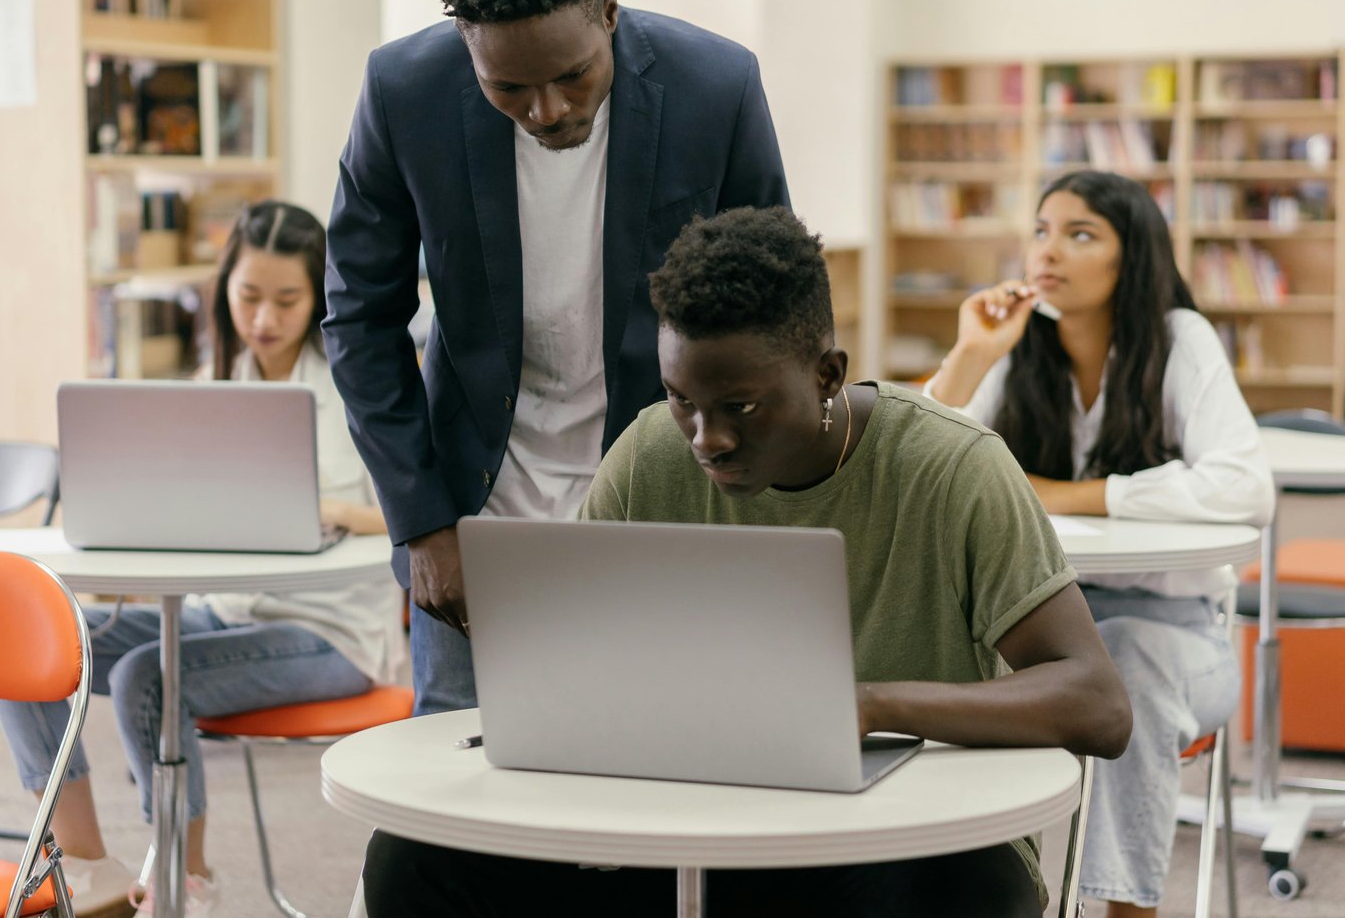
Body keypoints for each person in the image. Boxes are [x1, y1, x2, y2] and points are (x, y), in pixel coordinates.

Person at [363, 206, 1132, 918]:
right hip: (682, 834)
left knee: (970, 889)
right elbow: (583, 669)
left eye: (743, 406)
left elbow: (1096, 704)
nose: (707, 438)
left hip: (892, 844)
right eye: (682, 399)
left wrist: (867, 706)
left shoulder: (953, 466)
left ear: (828, 374)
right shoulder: (648, 456)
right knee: (415, 859)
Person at [324, 0, 790, 715]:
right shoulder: (404, 91)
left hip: (663, 496)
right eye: (509, 88)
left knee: (657, 762)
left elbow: (773, 301)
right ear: (465, 48)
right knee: (461, 799)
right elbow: (360, 315)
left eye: (574, 76)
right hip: (473, 516)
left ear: (608, 13)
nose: (549, 111)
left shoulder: (714, 83)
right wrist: (421, 523)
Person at [0, 202, 403, 917]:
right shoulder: (221, 382)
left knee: (145, 676)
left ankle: (189, 877)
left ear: (320, 296)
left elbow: (411, 516)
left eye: (287, 299)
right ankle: (90, 861)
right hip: (226, 608)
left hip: (332, 632)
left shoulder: (359, 385)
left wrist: (332, 510)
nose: (264, 318)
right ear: (225, 293)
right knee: (20, 645)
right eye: (248, 296)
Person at [923, 170, 1275, 917]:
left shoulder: (1181, 340)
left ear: (1132, 257)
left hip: (1178, 642)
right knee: (931, 660)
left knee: (1127, 663)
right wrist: (972, 354)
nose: (1049, 249)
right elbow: (914, 460)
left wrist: (1069, 492)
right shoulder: (1019, 348)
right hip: (1040, 636)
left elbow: (1246, 485)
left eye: (1081, 234)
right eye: (1042, 230)